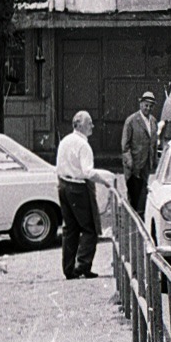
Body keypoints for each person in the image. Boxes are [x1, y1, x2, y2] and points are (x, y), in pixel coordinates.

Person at [56, 110, 114, 279]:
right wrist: (105, 181)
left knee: (70, 228)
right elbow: (88, 172)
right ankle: (82, 265)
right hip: (78, 188)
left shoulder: (65, 141)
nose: (93, 126)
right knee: (90, 229)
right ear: (80, 125)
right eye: (89, 123)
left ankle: (69, 269)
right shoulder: (84, 146)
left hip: (63, 185)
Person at [121, 90, 160, 215]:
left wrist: (154, 160)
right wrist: (130, 163)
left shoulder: (153, 121)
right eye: (146, 105)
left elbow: (154, 142)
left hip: (146, 164)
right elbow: (125, 146)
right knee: (134, 195)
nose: (148, 108)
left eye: (150, 106)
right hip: (134, 165)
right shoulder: (131, 121)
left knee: (144, 193)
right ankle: (132, 220)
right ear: (140, 104)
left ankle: (141, 219)